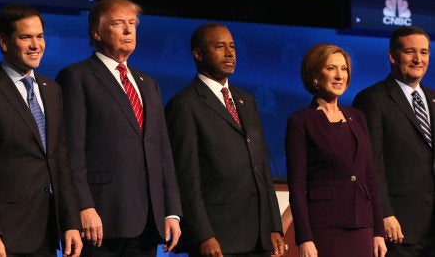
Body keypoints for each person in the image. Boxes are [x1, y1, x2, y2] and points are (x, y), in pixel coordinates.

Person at [55, 0, 182, 257]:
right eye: (118, 23)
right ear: (97, 32)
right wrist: (83, 206)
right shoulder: (76, 77)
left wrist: (171, 210)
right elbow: (70, 152)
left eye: (132, 23)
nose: (128, 30)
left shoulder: (148, 83)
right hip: (102, 219)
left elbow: (162, 152)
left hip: (148, 220)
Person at [0, 3, 82, 257]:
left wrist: (70, 223)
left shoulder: (52, 89)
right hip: (3, 235)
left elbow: (60, 162)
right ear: (3, 41)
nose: (36, 45)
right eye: (26, 37)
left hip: (46, 232)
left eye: (40, 36)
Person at [164, 23, 285, 257]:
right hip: (219, 238)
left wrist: (273, 226)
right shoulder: (184, 105)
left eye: (232, 47)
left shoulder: (246, 101)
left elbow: (261, 169)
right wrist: (203, 235)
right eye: (220, 47)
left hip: (258, 237)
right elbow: (186, 179)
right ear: (198, 54)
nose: (230, 53)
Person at [285, 43, 387, 256]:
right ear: (314, 74)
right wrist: (305, 238)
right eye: (331, 68)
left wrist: (378, 231)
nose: (340, 75)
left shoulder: (357, 116)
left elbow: (369, 177)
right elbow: (297, 186)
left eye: (344, 69)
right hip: (325, 227)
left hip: (363, 225)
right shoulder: (301, 121)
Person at [352, 25, 435, 257]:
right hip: (399, 225)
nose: (418, 59)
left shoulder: (433, 98)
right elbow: (370, 163)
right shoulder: (372, 99)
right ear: (392, 56)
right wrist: (384, 215)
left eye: (424, 52)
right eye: (410, 52)